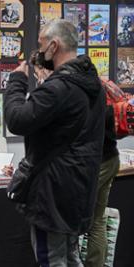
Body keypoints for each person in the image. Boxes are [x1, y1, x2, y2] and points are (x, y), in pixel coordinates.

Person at [4, 19, 105, 266]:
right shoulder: (92, 84)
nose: (38, 52)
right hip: (78, 189)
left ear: (53, 46)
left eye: (40, 45)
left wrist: (17, 82)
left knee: (52, 259)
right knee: (71, 256)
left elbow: (17, 120)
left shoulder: (59, 88)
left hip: (52, 193)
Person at [84, 80, 120, 267]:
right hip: (111, 158)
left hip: (98, 164)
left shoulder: (87, 103)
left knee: (77, 215)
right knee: (97, 219)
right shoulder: (105, 97)